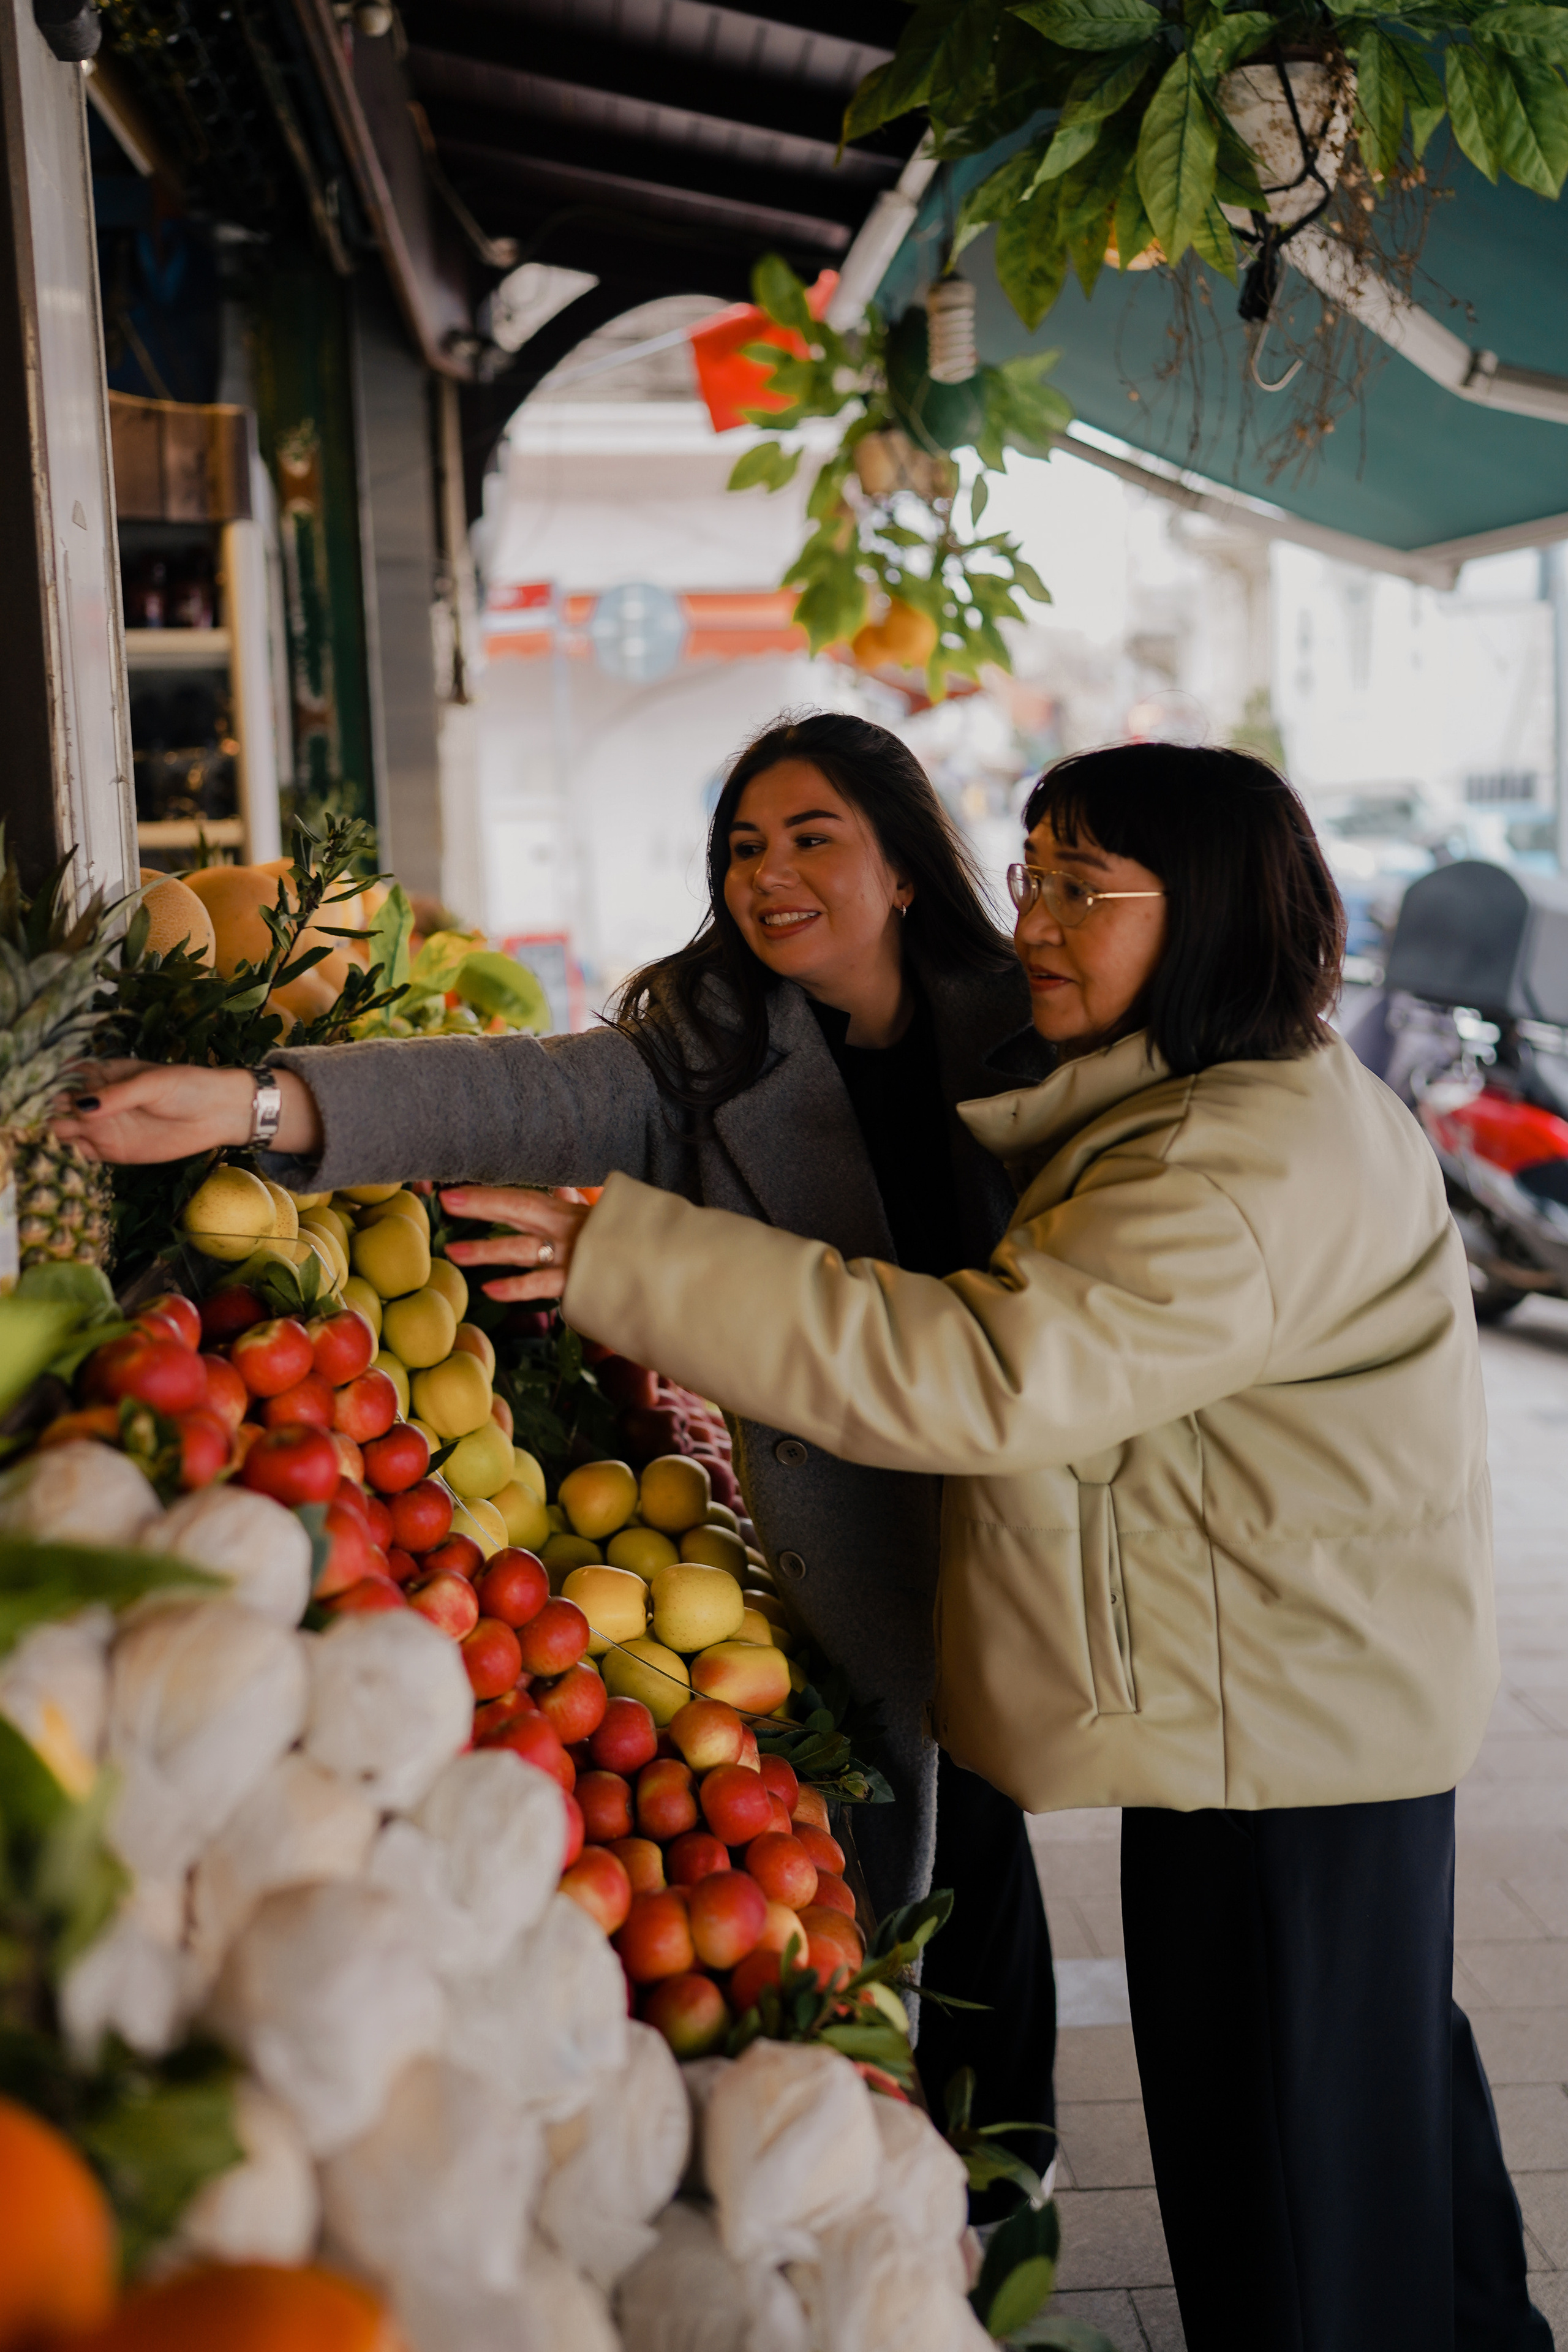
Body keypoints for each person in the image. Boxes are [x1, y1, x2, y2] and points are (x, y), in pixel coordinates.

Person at [398, 741, 1550, 2352]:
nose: (1041, 925)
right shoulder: (1222, 1099)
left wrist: (628, 1258)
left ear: (1208, 913)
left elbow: (988, 1372)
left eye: (1087, 887)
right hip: (1310, 1715)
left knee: (1291, 2199)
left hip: (1289, 1749)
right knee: (1385, 2141)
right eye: (1036, 877)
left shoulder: (1231, 1161)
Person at [59, 710, 1058, 2198]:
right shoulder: (712, 1055)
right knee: (918, 1827)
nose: (769, 874)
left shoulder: (1033, 1038)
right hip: (857, 1538)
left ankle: (1012, 2146)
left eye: (811, 838)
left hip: (1027, 1520)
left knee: (988, 1827)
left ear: (905, 868)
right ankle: (948, 2167)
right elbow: (515, 1092)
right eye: (742, 846)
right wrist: (259, 1104)